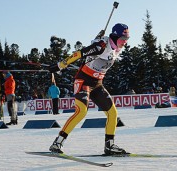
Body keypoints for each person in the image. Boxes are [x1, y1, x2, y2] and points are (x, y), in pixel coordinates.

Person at [48, 23, 129, 155]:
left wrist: (97, 39)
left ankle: (109, 145)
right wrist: (60, 65)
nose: (124, 43)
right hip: (83, 80)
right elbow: (79, 54)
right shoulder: (101, 46)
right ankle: (57, 143)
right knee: (81, 111)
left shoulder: (115, 48)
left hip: (97, 84)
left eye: (126, 40)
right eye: (122, 39)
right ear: (114, 37)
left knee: (113, 113)